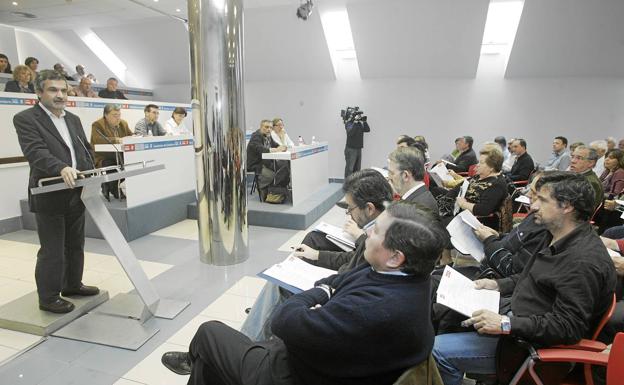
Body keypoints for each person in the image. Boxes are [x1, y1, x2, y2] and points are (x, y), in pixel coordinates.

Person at [161, 201, 447, 385]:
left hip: (292, 374)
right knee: (210, 364)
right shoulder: (413, 280)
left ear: (396, 257)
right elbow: (341, 279)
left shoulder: (373, 310)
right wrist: (325, 291)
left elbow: (283, 321)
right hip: (333, 363)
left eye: (375, 231)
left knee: (209, 333)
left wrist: (316, 296)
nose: (366, 233)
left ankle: (196, 358)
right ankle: (200, 363)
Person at [433, 172, 617, 385]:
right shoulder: (555, 235)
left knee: (438, 350)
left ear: (567, 207)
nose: (534, 206)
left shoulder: (583, 261)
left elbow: (568, 327)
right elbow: (531, 276)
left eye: (542, 200)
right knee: (444, 313)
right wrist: (496, 284)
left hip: (528, 346)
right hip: (518, 321)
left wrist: (505, 323)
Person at [242, 169, 394, 341]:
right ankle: (259, 326)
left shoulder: (377, 241)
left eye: (350, 209)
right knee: (285, 274)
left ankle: (250, 340)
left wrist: (321, 286)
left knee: (279, 285)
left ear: (369, 208)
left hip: (340, 296)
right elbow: (353, 261)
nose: (349, 215)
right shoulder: (386, 227)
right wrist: (317, 256)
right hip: (341, 286)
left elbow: (353, 278)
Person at [13, 70, 100, 314]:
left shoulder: (72, 119)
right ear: (39, 92)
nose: (60, 95)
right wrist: (61, 167)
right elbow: (36, 153)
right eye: (53, 90)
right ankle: (49, 297)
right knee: (52, 249)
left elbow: (82, 150)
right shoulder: (26, 119)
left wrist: (91, 173)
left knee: (75, 244)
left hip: (77, 191)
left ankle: (72, 285)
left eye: (63, 90)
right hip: (50, 192)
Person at [439, 148, 508, 229]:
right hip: (458, 212)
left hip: (475, 221)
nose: (477, 165)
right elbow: (460, 187)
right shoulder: (479, 176)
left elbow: (483, 210)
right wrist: (444, 202)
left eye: (481, 163)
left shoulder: (497, 184)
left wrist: (463, 204)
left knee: (436, 225)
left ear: (491, 167)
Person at [91, 104, 133, 200]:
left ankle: (114, 186)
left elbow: (131, 136)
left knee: (128, 161)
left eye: (119, 115)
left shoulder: (123, 123)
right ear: (106, 115)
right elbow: (97, 140)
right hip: (103, 156)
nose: (118, 118)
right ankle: (114, 189)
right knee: (111, 163)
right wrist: (116, 140)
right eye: (115, 115)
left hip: (119, 155)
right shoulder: (97, 124)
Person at [387, 146, 438, 215]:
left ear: (405, 175)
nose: (389, 178)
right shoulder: (419, 197)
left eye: (391, 173)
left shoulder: (417, 209)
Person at [570, 145, 603, 211]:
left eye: (579, 158)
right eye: (572, 157)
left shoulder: (591, 182)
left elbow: (582, 210)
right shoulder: (577, 176)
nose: (573, 161)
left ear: (591, 163)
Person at [343, 113, 370, 178]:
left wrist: (364, 122)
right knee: (350, 169)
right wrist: (354, 122)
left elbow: (367, 130)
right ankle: (347, 184)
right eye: (358, 115)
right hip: (351, 149)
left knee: (357, 169)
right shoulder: (349, 123)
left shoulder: (359, 124)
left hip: (358, 149)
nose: (359, 116)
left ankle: (355, 184)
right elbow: (350, 133)